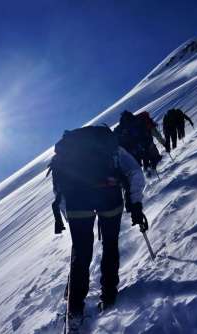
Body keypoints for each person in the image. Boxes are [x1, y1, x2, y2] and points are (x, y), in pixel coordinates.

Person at [47, 126, 146, 332]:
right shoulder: (111, 146)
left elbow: (59, 186)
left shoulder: (68, 152)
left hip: (77, 200)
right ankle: (108, 295)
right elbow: (134, 171)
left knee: (81, 252)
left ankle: (74, 309)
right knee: (110, 244)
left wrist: (68, 215)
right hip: (109, 195)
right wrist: (135, 202)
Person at [114, 110, 165, 176]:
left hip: (132, 149)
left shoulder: (121, 126)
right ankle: (149, 172)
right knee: (146, 157)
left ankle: (145, 175)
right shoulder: (137, 120)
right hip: (141, 144)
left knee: (139, 162)